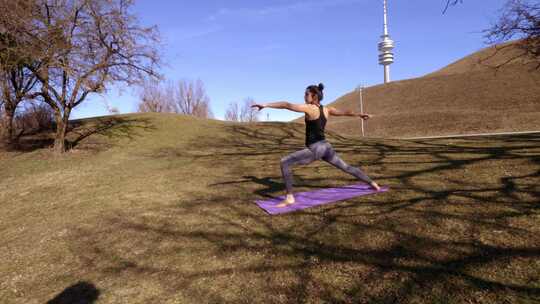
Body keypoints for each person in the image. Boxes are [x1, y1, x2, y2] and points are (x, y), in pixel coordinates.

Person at [251, 83, 381, 208]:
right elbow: (345, 112)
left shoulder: (309, 108)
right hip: (326, 147)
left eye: (306, 94)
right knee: (346, 167)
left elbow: (286, 105)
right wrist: (360, 115)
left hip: (316, 148)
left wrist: (266, 105)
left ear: (314, 96)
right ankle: (372, 183)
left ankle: (290, 197)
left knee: (285, 162)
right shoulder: (327, 109)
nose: (304, 96)